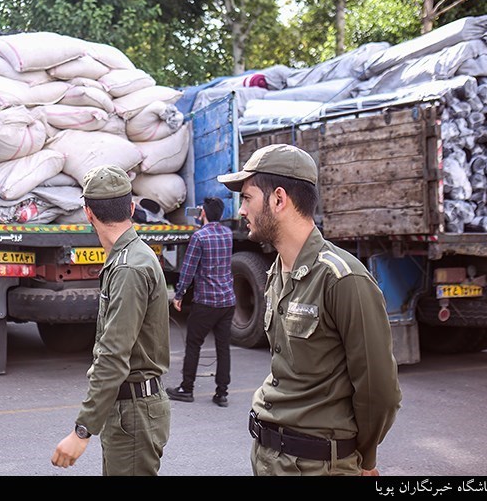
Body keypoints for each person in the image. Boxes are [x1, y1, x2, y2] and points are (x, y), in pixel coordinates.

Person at [217, 143, 401, 476]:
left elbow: (379, 390)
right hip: (269, 456)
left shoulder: (342, 278)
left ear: (278, 199)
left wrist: (365, 459)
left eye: (246, 198)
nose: (241, 210)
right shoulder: (276, 271)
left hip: (319, 466)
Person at [51, 165, 171, 476]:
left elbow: (114, 355)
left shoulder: (129, 267)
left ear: (88, 213)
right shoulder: (128, 257)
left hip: (134, 412)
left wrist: (82, 431)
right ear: (132, 207)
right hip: (127, 409)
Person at [166, 197, 236, 408]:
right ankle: (221, 393)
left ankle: (187, 388)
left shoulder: (199, 237)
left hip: (206, 301)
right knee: (223, 347)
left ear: (203, 213)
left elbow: (188, 269)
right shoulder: (228, 234)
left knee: (194, 344)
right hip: (227, 301)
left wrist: (178, 294)